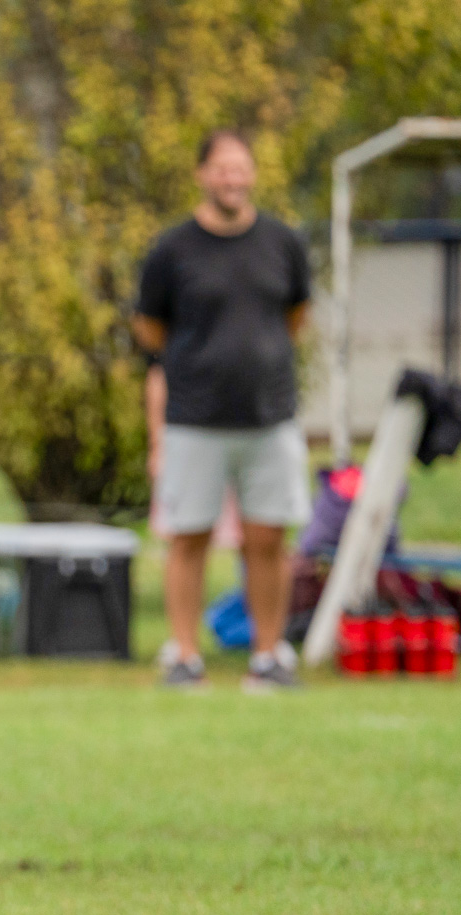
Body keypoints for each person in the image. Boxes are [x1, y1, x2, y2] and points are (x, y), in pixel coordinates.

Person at [133, 129, 313, 691]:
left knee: (268, 541)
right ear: (202, 175)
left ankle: (268, 658)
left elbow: (296, 316)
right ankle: (185, 659)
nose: (232, 178)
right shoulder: (172, 249)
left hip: (270, 418)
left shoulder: (283, 242)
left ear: (252, 174)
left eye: (241, 167)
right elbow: (150, 328)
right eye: (221, 168)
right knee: (188, 538)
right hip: (194, 420)